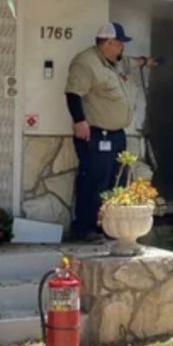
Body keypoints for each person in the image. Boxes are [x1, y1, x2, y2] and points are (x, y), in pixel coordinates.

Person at [65, 23, 158, 241]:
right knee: (94, 180)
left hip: (116, 134)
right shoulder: (86, 63)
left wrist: (148, 62)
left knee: (113, 180)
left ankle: (106, 227)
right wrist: (79, 121)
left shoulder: (115, 62)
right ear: (108, 43)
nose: (122, 48)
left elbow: (131, 62)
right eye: (120, 44)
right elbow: (73, 93)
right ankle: (85, 228)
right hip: (97, 134)